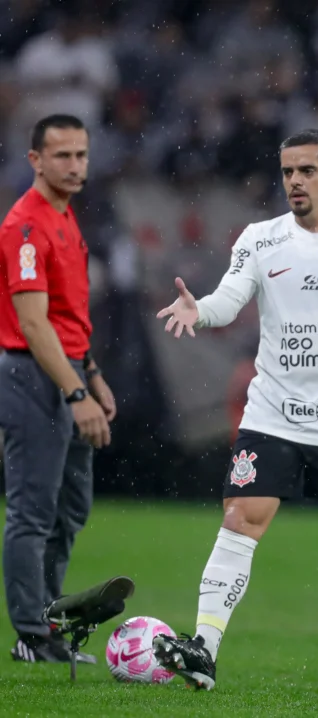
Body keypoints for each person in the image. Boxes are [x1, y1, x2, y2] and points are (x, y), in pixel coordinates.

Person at [151, 130, 318, 694]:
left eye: (307, 171)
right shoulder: (260, 239)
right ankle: (204, 650)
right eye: (287, 172)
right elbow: (229, 297)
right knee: (239, 518)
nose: (295, 182)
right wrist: (200, 310)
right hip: (271, 414)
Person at [0, 114, 115, 664]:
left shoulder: (66, 219)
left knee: (69, 508)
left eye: (81, 155)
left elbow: (67, 315)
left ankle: (46, 622)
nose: (75, 166)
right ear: (35, 160)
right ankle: (31, 633)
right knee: (32, 510)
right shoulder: (25, 227)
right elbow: (33, 324)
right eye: (62, 156)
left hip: (67, 368)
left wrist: (91, 371)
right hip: (32, 376)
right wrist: (75, 393)